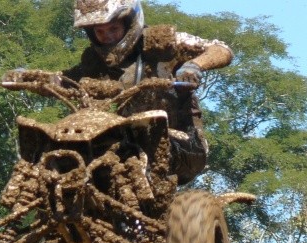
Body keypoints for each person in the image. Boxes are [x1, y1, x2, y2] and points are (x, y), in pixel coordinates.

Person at [62, 0, 233, 184]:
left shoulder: (162, 43)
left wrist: (194, 65)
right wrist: (34, 77)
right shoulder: (94, 63)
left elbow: (221, 49)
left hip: (181, 144)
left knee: (142, 154)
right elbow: (63, 80)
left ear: (129, 23)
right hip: (119, 148)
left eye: (113, 28)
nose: (108, 36)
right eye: (100, 31)